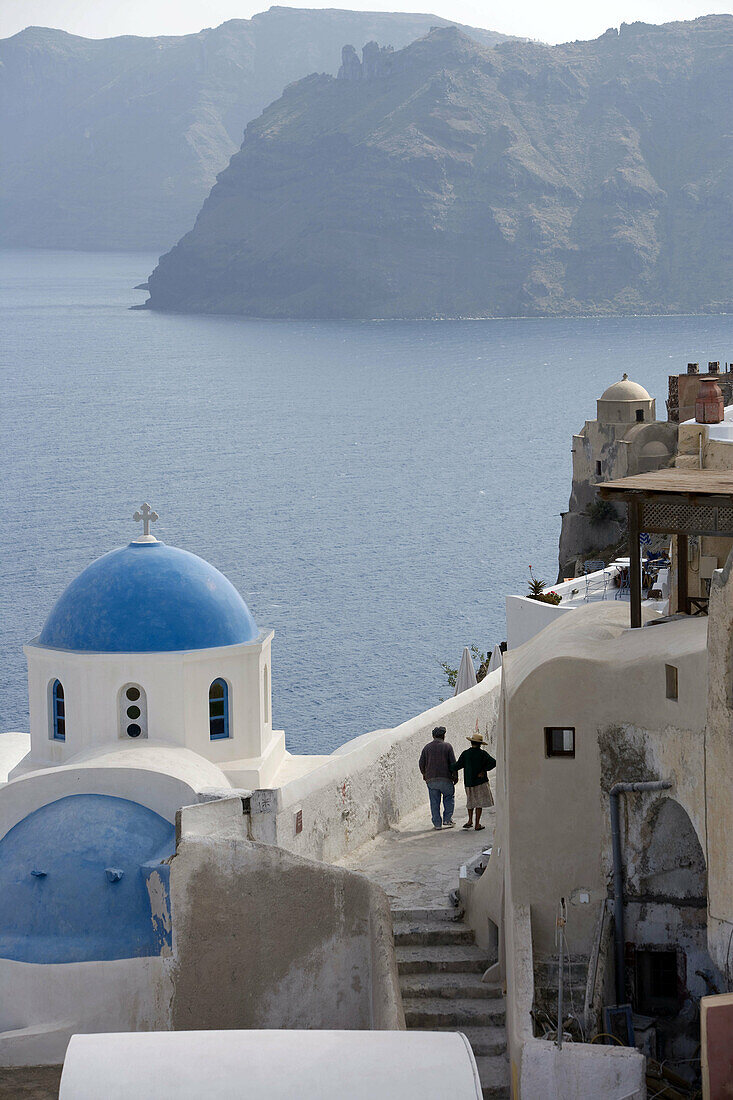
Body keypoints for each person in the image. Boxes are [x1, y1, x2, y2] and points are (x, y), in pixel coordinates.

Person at [453, 732, 496, 831]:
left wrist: (448, 767)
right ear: (480, 744)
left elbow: (457, 765)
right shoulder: (483, 754)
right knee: (479, 803)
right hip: (480, 781)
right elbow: (493, 763)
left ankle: (469, 821)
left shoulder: (466, 754)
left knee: (470, 801)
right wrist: (483, 770)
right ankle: (477, 824)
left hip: (469, 782)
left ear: (471, 742)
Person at [418, 726, 457, 830]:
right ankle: (447, 820)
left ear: (433, 736)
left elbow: (421, 763)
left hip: (431, 780)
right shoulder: (447, 746)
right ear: (443, 736)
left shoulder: (427, 747)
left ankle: (437, 824)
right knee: (449, 797)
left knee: (434, 801)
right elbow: (453, 763)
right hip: (446, 778)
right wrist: (455, 776)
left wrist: (424, 775)